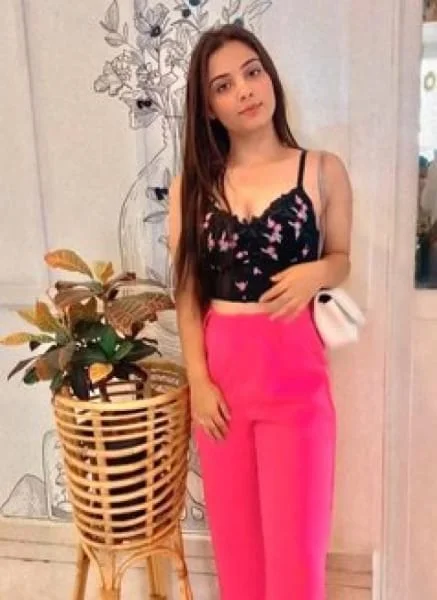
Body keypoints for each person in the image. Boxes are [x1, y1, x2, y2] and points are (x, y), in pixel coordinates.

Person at [168, 23, 352, 600]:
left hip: (296, 378)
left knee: (297, 566)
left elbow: (342, 259)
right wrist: (198, 383)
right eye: (223, 85)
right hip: (223, 385)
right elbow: (188, 293)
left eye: (252, 72)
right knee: (239, 563)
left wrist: (318, 272)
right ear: (209, 108)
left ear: (270, 77)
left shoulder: (321, 169)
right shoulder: (192, 188)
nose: (244, 90)